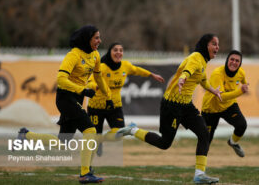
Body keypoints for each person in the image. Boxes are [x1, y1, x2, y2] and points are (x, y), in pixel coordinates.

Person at [117, 34, 222, 184]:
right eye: (214, 44)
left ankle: (199, 175)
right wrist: (182, 78)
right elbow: (188, 70)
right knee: (164, 143)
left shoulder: (203, 62)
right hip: (172, 105)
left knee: (204, 134)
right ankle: (132, 130)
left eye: (218, 44)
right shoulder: (196, 57)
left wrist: (214, 91)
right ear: (206, 45)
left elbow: (203, 80)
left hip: (186, 106)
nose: (217, 47)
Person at [17, 25, 111, 183]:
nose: (99, 41)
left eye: (99, 37)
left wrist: (107, 95)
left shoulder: (95, 55)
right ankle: (85, 173)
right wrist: (82, 90)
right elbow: (61, 80)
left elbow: (98, 76)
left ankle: (25, 135)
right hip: (65, 98)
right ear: (86, 39)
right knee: (90, 129)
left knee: (62, 144)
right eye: (96, 38)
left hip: (77, 98)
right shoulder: (73, 55)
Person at [86, 42, 165, 156]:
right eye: (115, 50)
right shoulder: (101, 67)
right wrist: (95, 86)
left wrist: (151, 75)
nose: (118, 52)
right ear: (110, 53)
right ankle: (88, 168)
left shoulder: (125, 66)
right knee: (92, 138)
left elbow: (136, 70)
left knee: (119, 134)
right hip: (96, 107)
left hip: (114, 106)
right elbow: (90, 82)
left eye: (121, 50)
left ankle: (101, 140)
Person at [201, 50, 249, 157]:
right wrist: (240, 91)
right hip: (211, 109)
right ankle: (199, 170)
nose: (234, 62)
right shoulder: (217, 73)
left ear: (240, 64)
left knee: (242, 125)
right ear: (227, 60)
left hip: (228, 106)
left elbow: (244, 82)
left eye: (237, 61)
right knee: (205, 142)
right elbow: (220, 97)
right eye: (232, 59)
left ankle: (233, 142)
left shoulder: (241, 73)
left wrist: (245, 86)